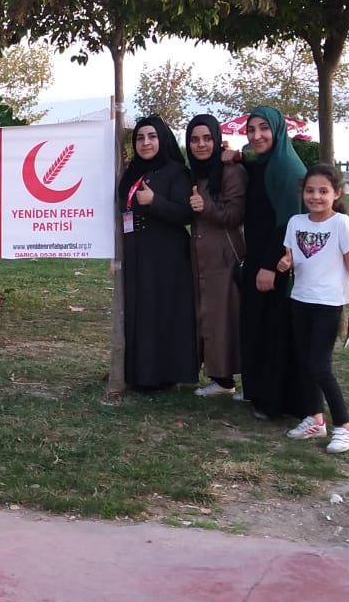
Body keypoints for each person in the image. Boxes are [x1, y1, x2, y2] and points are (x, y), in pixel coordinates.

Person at [276, 164, 349, 453]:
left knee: (319, 365)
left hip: (328, 304)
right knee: (305, 363)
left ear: (336, 194)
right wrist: (286, 263)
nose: (315, 196)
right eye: (310, 190)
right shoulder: (295, 222)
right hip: (300, 299)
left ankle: (345, 428)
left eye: (323, 191)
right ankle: (315, 419)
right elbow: (294, 258)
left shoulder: (341, 223)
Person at [231, 106, 311, 421]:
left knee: (274, 331)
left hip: (275, 264)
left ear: (277, 130)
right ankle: (258, 391)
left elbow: (288, 223)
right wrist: (239, 159)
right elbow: (257, 173)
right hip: (259, 257)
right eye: (251, 129)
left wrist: (269, 266)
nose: (257, 135)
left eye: (264, 128)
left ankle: (274, 401)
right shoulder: (267, 162)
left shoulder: (286, 167)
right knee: (258, 326)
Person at [117, 116, 199, 390]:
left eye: (152, 136)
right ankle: (138, 372)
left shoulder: (176, 172)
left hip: (166, 256)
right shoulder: (132, 172)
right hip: (137, 252)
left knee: (161, 313)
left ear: (162, 139)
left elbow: (186, 214)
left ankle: (162, 375)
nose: (146, 143)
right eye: (140, 138)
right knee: (139, 312)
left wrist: (155, 202)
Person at [186, 114, 247, 397]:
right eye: (195, 139)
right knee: (209, 317)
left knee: (226, 319)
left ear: (217, 139)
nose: (201, 145)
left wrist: (206, 206)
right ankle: (221, 379)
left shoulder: (231, 171)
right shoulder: (196, 172)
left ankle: (237, 381)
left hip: (225, 257)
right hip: (201, 257)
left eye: (207, 138)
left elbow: (235, 214)